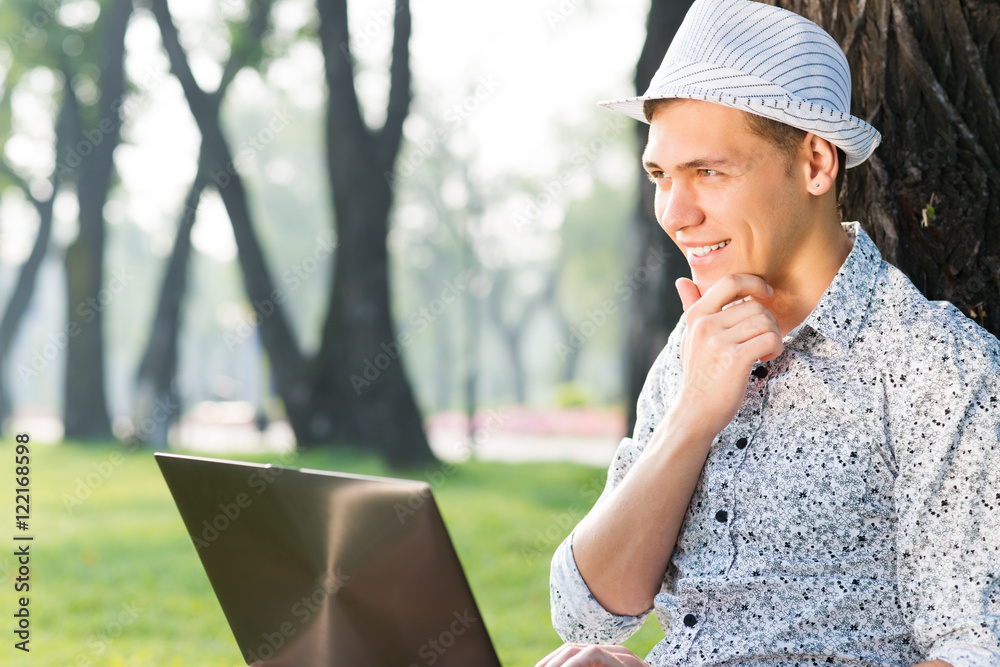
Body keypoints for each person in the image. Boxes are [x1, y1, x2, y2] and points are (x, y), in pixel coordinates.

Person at [537, 1, 1000, 666]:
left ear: (815, 163)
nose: (675, 213)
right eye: (661, 176)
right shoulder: (694, 345)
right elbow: (587, 611)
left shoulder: (940, 370)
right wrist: (692, 416)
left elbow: (972, 649)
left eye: (708, 172)